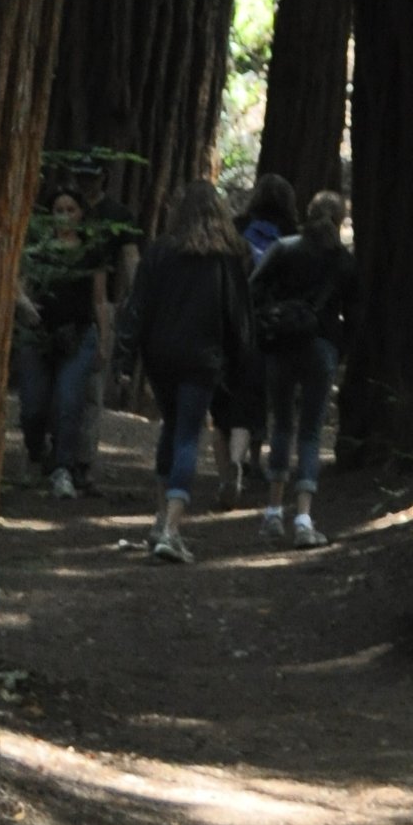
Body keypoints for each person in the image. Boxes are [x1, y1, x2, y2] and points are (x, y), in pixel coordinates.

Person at [111, 177, 256, 562]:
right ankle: (172, 530)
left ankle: (161, 519)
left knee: (172, 427)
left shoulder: (160, 251)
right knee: (188, 434)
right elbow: (238, 317)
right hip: (202, 358)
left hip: (160, 356)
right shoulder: (226, 258)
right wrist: (242, 366)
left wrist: (124, 359)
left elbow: (137, 306)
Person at [255, 189, 358, 549]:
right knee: (311, 433)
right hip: (321, 347)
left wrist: (270, 320)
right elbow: (354, 315)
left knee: (282, 425)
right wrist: (339, 350)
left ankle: (272, 512)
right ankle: (303, 519)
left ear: (308, 213)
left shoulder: (283, 248)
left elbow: (254, 288)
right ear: (340, 219)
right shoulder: (343, 261)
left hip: (281, 346)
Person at [12, 186, 110, 498]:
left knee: (69, 402)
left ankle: (63, 469)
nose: (65, 216)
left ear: (81, 214)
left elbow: (99, 300)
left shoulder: (92, 252)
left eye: (71, 210)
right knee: (33, 407)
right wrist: (26, 307)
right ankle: (37, 452)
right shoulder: (38, 249)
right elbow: (20, 285)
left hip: (78, 336)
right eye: (59, 210)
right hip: (37, 336)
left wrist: (104, 340)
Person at [219, 173, 299, 495]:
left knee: (236, 388)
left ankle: (234, 459)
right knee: (265, 394)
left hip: (236, 318)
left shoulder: (237, 227)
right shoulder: (292, 234)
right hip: (273, 324)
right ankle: (255, 458)